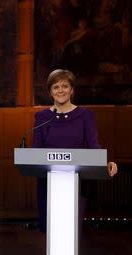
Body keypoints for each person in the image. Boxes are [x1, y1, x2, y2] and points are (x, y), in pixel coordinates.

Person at [32, 69, 117, 233]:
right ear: (50, 91)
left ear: (72, 90)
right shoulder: (42, 117)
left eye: (65, 86)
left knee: (70, 231)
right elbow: (36, 151)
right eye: (55, 87)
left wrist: (105, 163)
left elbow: (94, 146)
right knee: (52, 230)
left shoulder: (85, 115)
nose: (60, 90)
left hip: (76, 181)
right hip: (48, 182)